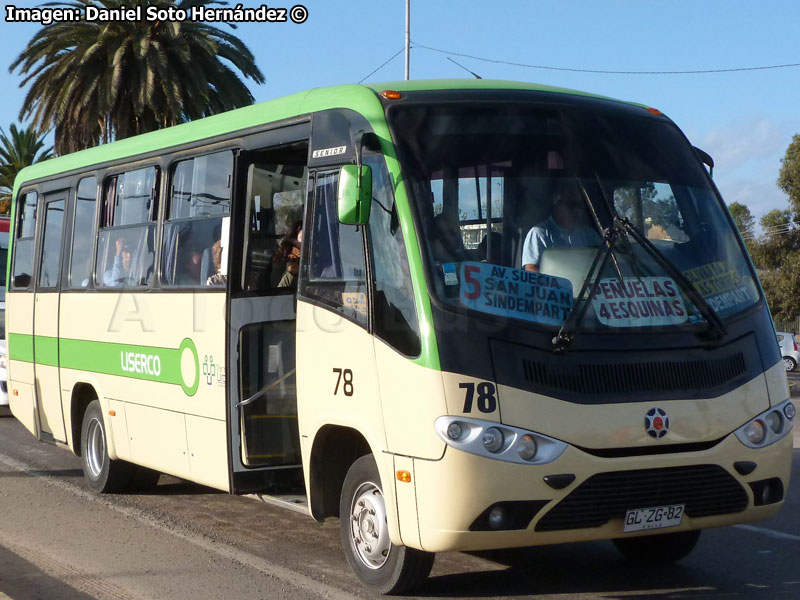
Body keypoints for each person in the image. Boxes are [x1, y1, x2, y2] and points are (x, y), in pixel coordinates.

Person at [522, 182, 600, 272]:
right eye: (571, 205)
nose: (576, 211)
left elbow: (606, 262)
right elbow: (531, 269)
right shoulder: (539, 233)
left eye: (579, 206)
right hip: (553, 286)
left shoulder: (589, 234)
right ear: (556, 205)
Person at [273, 221, 303, 288]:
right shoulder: (283, 260)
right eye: (303, 238)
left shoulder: (312, 257)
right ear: (294, 240)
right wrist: (291, 273)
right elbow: (277, 291)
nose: (308, 242)